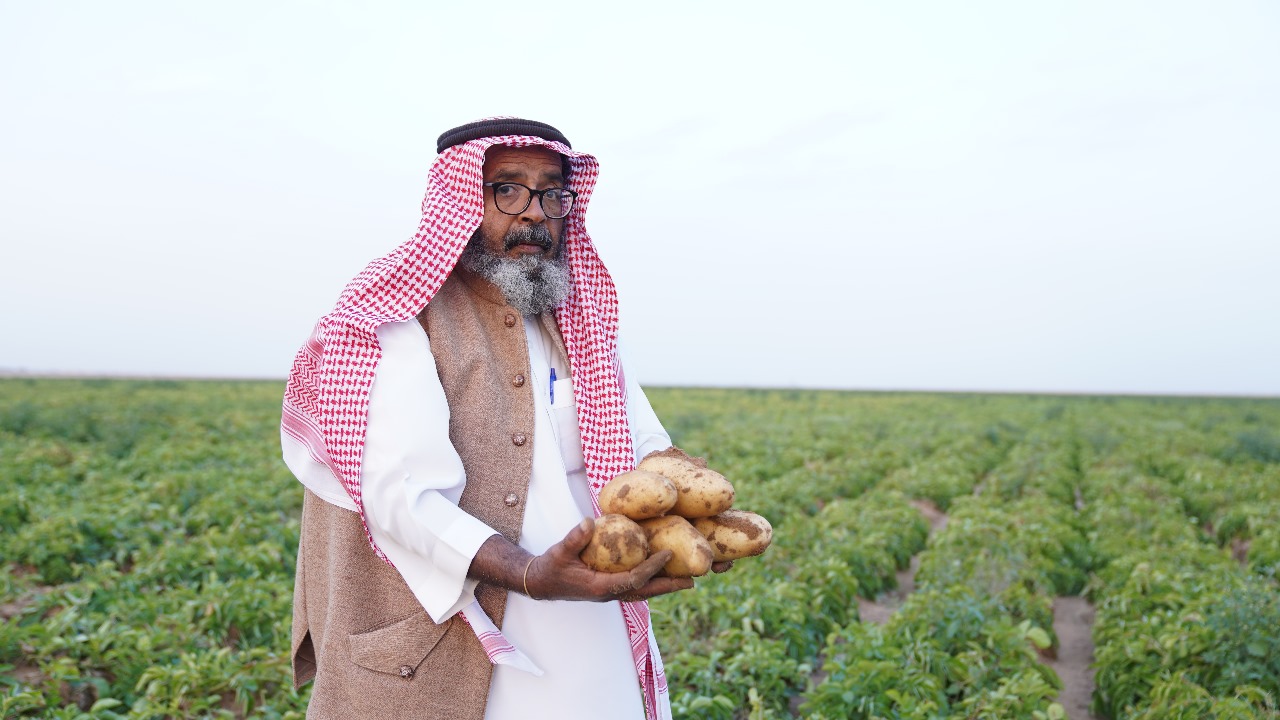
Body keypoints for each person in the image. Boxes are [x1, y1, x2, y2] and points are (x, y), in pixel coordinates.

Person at [280, 118, 719, 720]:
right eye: (507, 189)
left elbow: (642, 445)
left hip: (591, 619)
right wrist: (530, 574)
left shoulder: (579, 318)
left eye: (552, 193)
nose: (534, 212)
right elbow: (402, 495)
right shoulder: (399, 318)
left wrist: (695, 517)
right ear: (460, 198)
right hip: (448, 634)